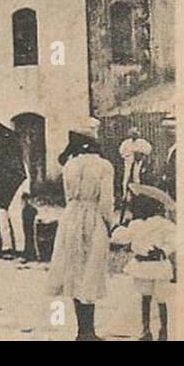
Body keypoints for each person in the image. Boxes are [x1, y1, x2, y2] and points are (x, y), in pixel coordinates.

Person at [46, 118, 116, 341]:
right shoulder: (104, 166)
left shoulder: (70, 165)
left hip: (72, 216)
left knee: (74, 269)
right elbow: (106, 201)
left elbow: (68, 196)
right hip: (93, 216)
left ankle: (81, 331)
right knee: (91, 270)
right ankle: (90, 331)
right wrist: (108, 223)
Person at [116, 187, 174, 341]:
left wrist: (118, 227)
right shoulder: (164, 224)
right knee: (161, 300)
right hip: (159, 265)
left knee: (146, 298)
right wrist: (163, 250)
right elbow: (174, 240)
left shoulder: (135, 225)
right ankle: (163, 330)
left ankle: (146, 329)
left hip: (144, 266)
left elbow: (120, 238)